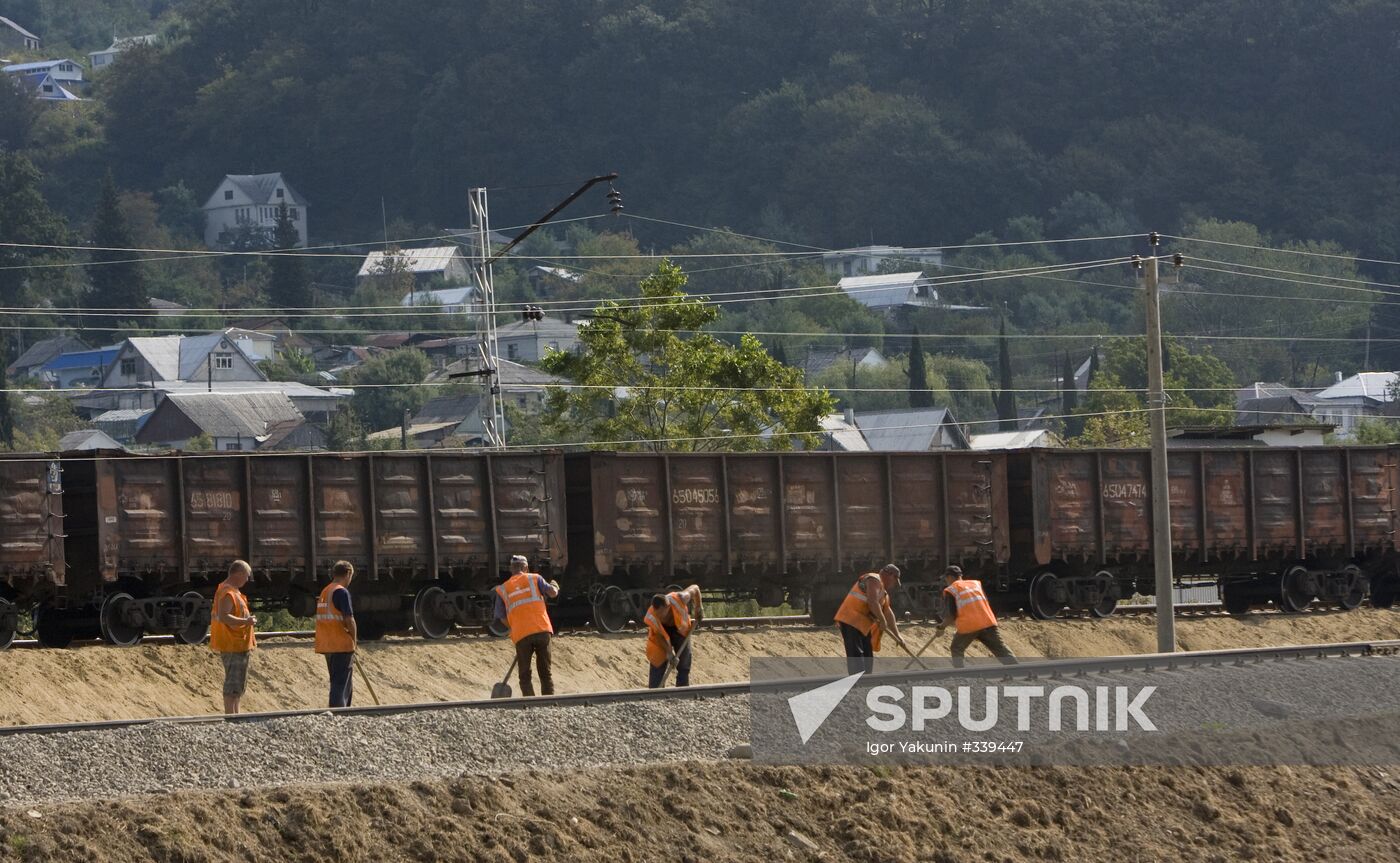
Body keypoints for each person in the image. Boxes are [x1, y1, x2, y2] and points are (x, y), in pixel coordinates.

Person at [493, 555, 560, 696]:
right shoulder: (535, 578)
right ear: (526, 568)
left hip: (521, 634)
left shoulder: (503, 589)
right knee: (545, 672)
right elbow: (552, 593)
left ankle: (529, 705)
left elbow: (500, 617)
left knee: (524, 675)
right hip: (542, 630)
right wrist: (554, 585)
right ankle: (548, 703)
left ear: (511, 569)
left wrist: (514, 627)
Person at [935, 565, 1016, 668]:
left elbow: (951, 616)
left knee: (956, 648)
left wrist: (941, 627)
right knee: (1000, 649)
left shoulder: (951, 590)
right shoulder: (975, 584)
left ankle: (961, 674)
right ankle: (1017, 669)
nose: (946, 581)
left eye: (946, 578)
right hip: (987, 622)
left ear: (950, 577)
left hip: (970, 625)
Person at [833, 564, 907, 673]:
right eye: (894, 580)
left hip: (862, 625)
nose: (893, 584)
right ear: (890, 575)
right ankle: (858, 681)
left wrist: (898, 636)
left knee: (867, 654)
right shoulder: (873, 580)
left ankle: (867, 679)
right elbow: (873, 602)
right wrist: (882, 620)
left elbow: (888, 612)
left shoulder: (884, 593)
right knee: (856, 654)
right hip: (850, 620)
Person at [211, 559, 257, 714]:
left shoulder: (232, 591)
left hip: (237, 644)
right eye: (246, 576)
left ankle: (235, 715)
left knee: (237, 685)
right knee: (233, 684)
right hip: (233, 644)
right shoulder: (228, 592)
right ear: (239, 573)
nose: (247, 580)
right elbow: (225, 616)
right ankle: (231, 716)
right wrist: (247, 621)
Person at [314, 560, 358, 708]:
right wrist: (354, 639)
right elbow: (349, 619)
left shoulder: (325, 591)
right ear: (348, 574)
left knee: (336, 681)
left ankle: (338, 711)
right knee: (341, 684)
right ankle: (340, 713)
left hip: (327, 644)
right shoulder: (341, 592)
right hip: (341, 644)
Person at [645, 584, 703, 688]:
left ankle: (682, 689)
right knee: (657, 659)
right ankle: (655, 692)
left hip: (680, 630)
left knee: (684, 662)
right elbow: (659, 636)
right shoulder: (651, 616)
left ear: (668, 607)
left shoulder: (680, 598)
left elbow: (695, 588)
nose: (659, 617)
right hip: (662, 634)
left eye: (662, 614)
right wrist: (669, 652)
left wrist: (699, 607)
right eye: (657, 613)